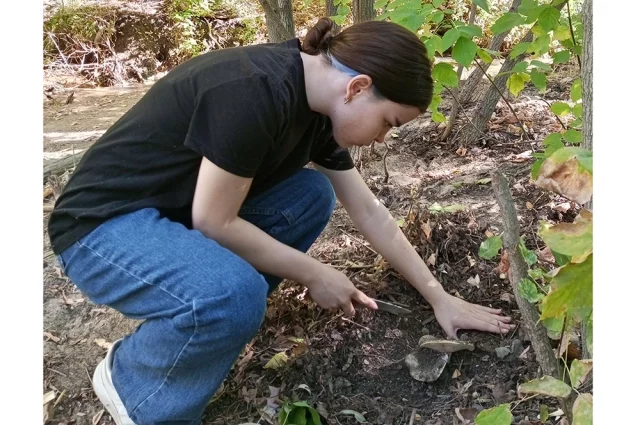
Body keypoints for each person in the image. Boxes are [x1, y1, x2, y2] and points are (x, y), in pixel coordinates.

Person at [48, 17, 513, 425]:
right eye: (388, 122)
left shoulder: (318, 105)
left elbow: (369, 210)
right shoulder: (255, 90)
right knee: (234, 293)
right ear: (358, 88)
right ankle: (137, 385)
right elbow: (213, 222)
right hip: (101, 229)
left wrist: (438, 297)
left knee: (309, 195)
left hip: (172, 215)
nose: (382, 139)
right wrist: (315, 273)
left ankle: (212, 321)